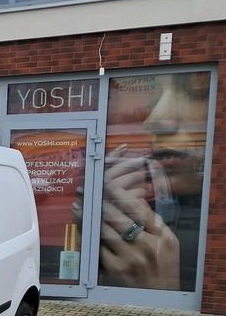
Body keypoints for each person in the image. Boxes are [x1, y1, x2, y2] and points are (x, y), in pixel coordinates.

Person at [77, 71, 209, 292]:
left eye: (197, 90)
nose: (153, 121)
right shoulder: (136, 200)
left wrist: (161, 289)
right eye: (154, 100)